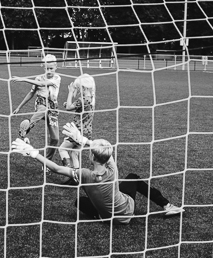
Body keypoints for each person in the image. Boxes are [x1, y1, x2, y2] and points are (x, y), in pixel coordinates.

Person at [10, 124, 184, 224]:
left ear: (91, 155)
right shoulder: (112, 171)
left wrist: (33, 153)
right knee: (133, 178)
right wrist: (84, 140)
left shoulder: (84, 174)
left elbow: (55, 168)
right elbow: (107, 153)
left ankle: (101, 215)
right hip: (126, 213)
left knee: (80, 201)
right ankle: (167, 205)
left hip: (107, 217)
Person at [12, 54, 62, 161]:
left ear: (56, 67)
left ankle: (47, 161)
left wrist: (23, 79)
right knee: (44, 109)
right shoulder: (38, 78)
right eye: (47, 68)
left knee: (55, 139)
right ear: (43, 67)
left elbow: (42, 83)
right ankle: (27, 126)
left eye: (51, 68)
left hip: (53, 109)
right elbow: (31, 94)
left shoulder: (57, 78)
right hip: (41, 104)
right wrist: (19, 107)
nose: (49, 71)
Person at [58, 74, 96, 170]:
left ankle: (69, 172)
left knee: (62, 149)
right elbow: (73, 106)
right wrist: (69, 104)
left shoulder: (83, 99)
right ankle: (77, 177)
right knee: (74, 154)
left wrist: (70, 92)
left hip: (78, 132)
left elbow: (68, 108)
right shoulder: (91, 98)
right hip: (87, 132)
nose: (78, 90)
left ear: (83, 87)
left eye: (79, 88)